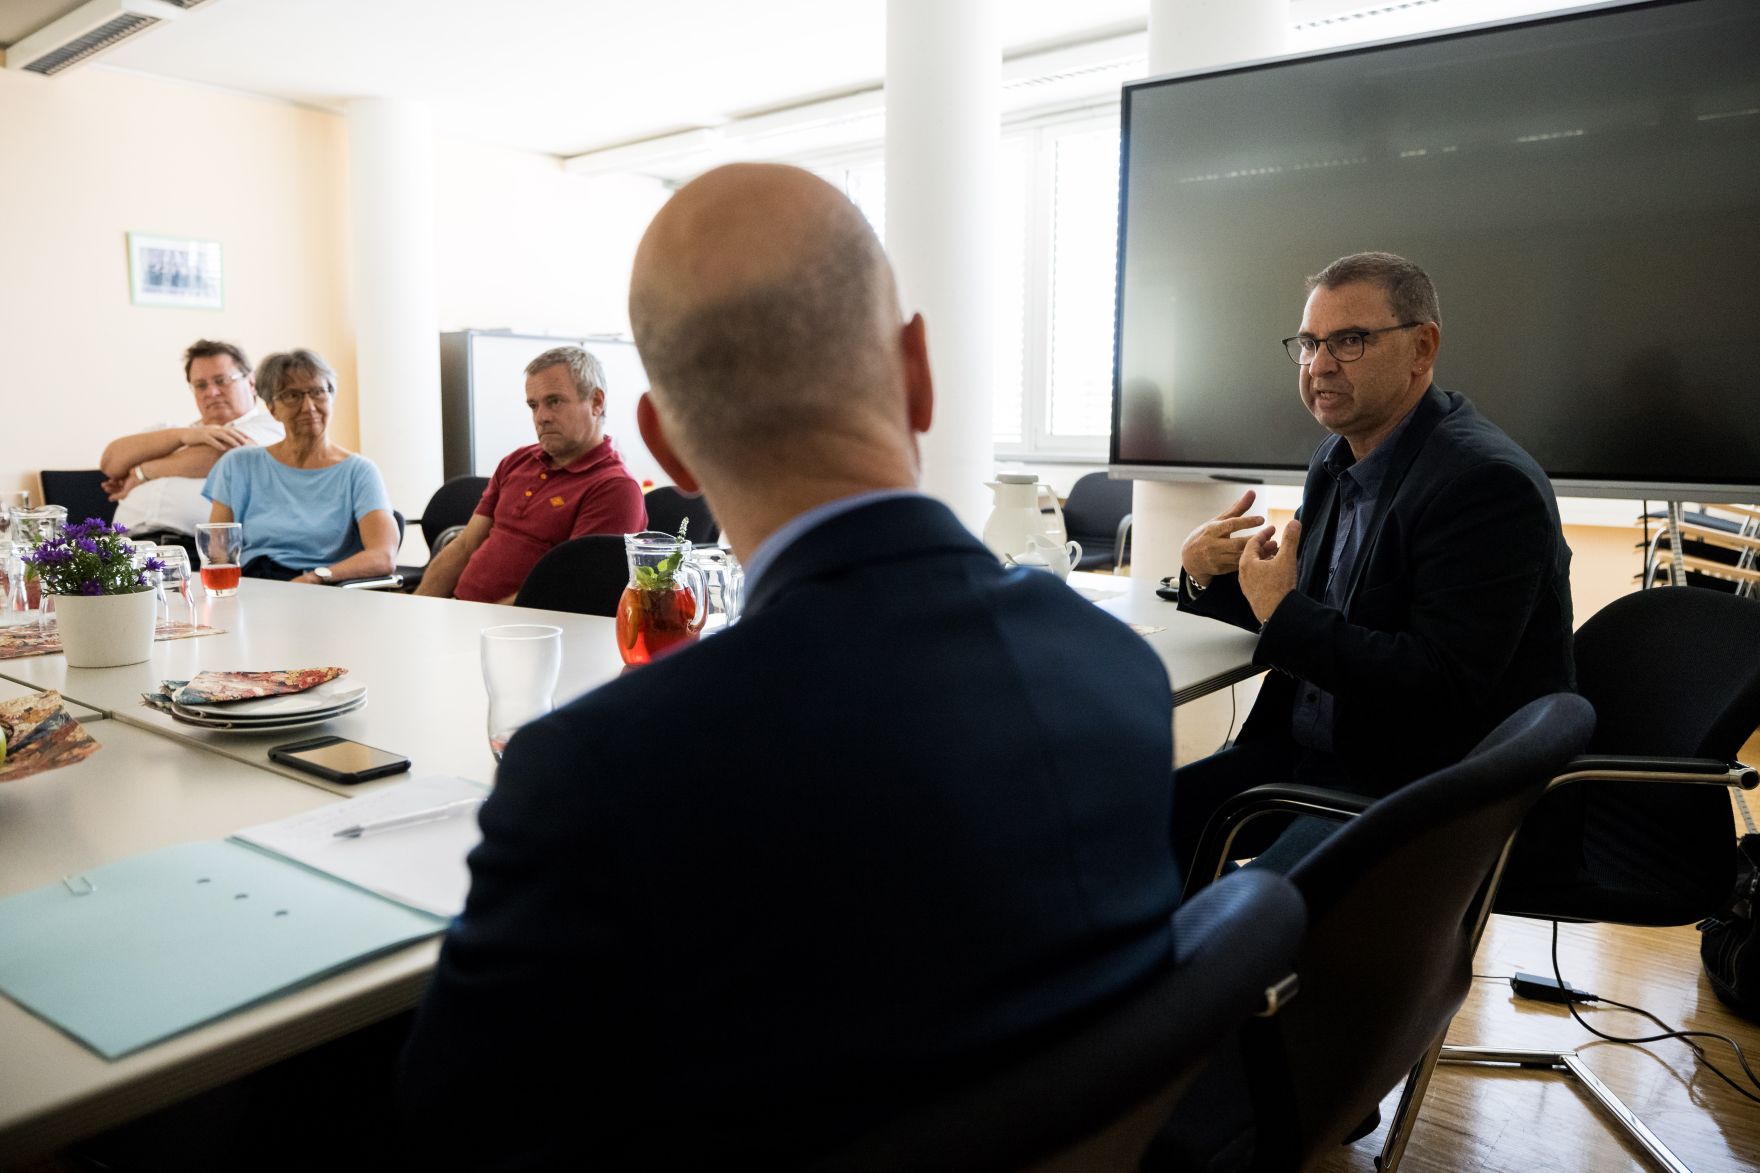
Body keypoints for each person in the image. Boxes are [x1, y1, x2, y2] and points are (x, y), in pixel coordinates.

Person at [399, 164, 1182, 1169]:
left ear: (663, 447)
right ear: (918, 372)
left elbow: (449, 1130)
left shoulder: (602, 771)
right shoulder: (1115, 669)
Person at [1170, 251, 1574, 875]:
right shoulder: (1337, 458)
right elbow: (1315, 620)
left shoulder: (1485, 483)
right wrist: (1203, 572)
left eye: (1349, 341)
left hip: (1416, 785)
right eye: (1309, 343)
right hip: (1313, 758)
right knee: (1134, 826)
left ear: (1422, 348)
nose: (1320, 365)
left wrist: (1282, 606)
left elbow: (1438, 685)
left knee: (1244, 915)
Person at [414, 345, 645, 603]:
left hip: (524, 631)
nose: (541, 417)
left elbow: (571, 588)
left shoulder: (615, 488)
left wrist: (484, 620)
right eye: (533, 405)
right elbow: (465, 546)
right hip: (465, 615)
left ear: (596, 402)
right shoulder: (517, 461)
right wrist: (417, 609)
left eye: (554, 401)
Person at [202, 349, 398, 585]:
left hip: (322, 588)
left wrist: (317, 578)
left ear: (331, 397)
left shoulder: (359, 471)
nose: (308, 406)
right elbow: (218, 553)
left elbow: (383, 556)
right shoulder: (238, 464)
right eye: (292, 396)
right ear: (272, 408)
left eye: (317, 392)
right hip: (254, 586)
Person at [98, 340, 283, 560]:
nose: (211, 392)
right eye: (201, 385)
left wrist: (143, 471)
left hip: (196, 553)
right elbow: (111, 462)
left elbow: (224, 456)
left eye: (221, 381)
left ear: (251, 382)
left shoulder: (269, 426)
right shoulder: (171, 431)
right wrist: (182, 436)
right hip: (123, 549)